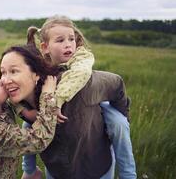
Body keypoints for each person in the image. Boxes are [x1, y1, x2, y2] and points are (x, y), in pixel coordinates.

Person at [23, 15, 136, 179]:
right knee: (28, 123)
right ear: (45, 47)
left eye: (71, 39)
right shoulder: (40, 76)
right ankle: (30, 170)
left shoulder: (83, 64)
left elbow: (116, 83)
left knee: (118, 122)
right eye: (60, 40)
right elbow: (20, 98)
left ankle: (128, 175)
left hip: (98, 164)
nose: (68, 44)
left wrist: (123, 115)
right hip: (58, 168)